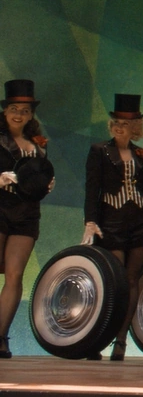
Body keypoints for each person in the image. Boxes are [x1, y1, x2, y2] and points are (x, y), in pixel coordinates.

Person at [83, 93, 143, 361]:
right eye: (116, 122)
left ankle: (120, 340)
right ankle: (98, 339)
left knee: (131, 280)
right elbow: (92, 190)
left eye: (126, 123)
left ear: (135, 127)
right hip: (111, 222)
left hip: (141, 222)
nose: (119, 127)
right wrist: (90, 221)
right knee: (113, 282)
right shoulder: (99, 151)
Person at [0, 79, 55, 359]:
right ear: (5, 110)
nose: (19, 114)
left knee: (15, 274)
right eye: (14, 108)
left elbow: (39, 178)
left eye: (24, 110)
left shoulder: (38, 145)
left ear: (31, 114)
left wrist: (47, 184)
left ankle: (1, 337)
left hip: (27, 214)